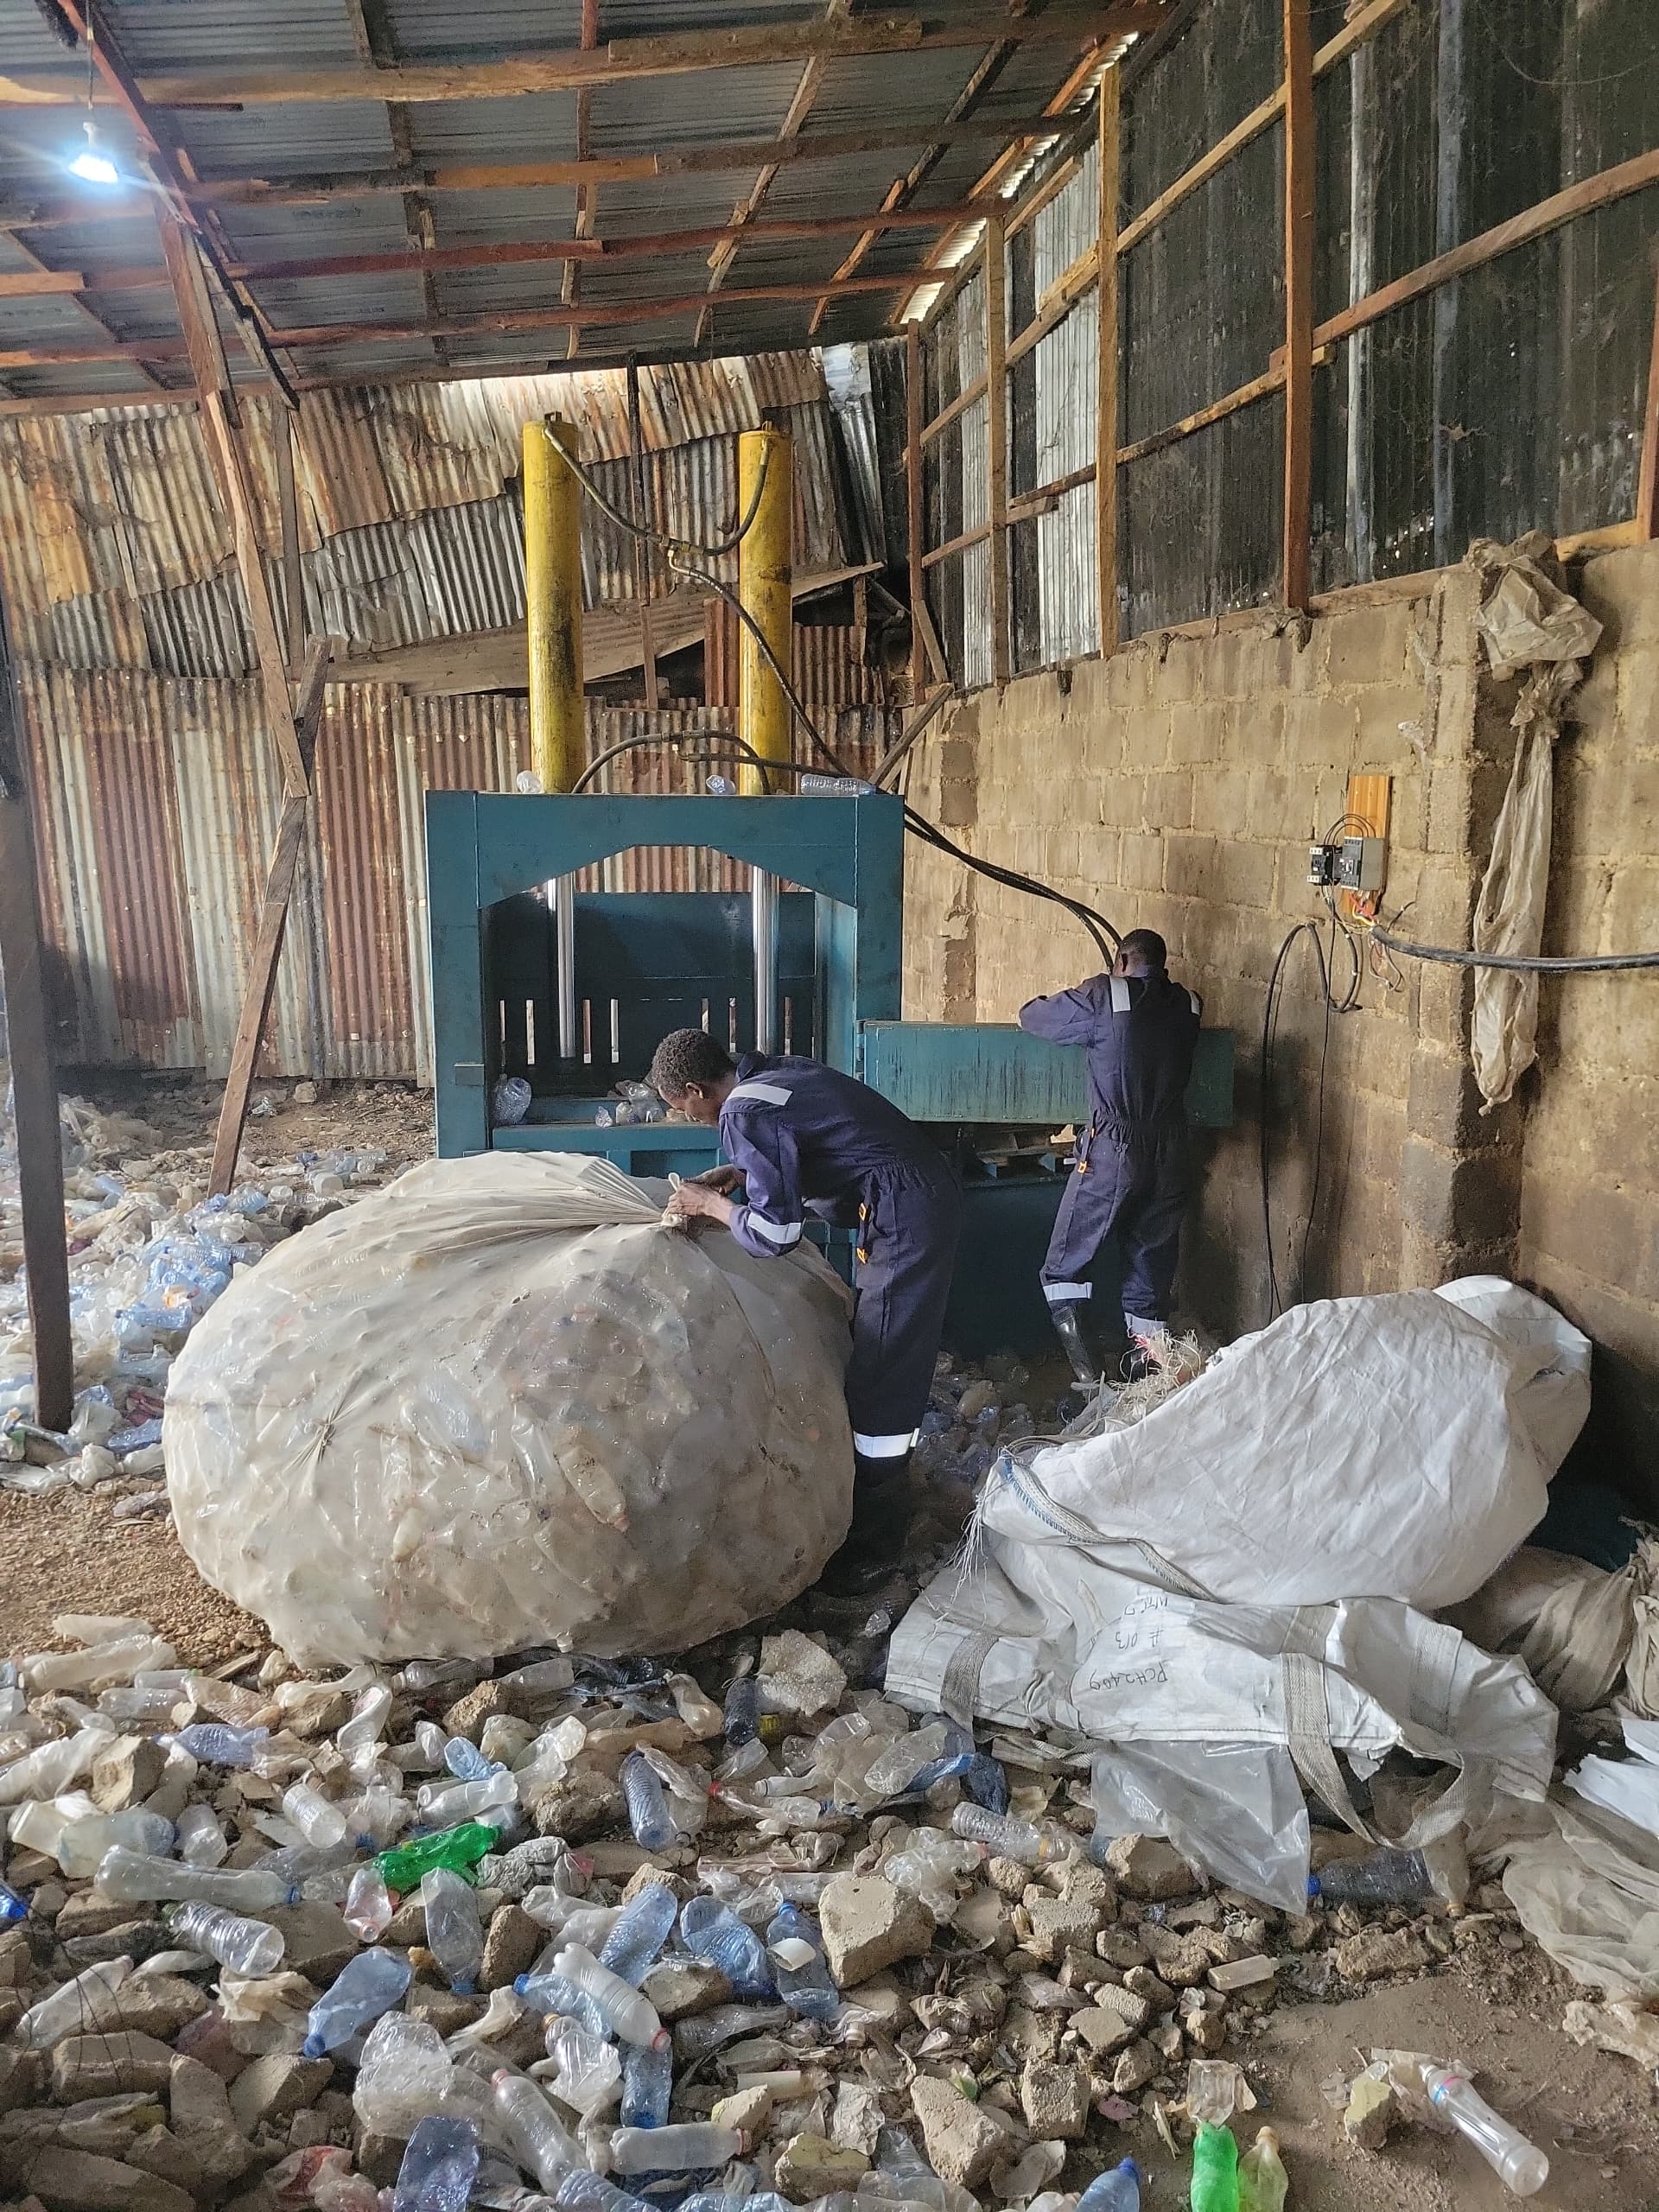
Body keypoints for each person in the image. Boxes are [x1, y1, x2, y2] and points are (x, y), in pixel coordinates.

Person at [649, 1028, 962, 1592]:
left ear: (695, 1089)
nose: (691, 1119)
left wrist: (711, 1205)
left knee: (883, 1370)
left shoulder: (742, 1113)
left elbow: (777, 1233)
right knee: (881, 1349)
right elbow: (821, 1146)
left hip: (905, 1211)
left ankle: (875, 1544)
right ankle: (877, 1504)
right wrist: (744, 1177)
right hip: (907, 1195)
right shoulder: (773, 1076)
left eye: (683, 1109)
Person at [1018, 928, 1200, 1388]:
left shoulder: (1104, 996)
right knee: (1150, 1271)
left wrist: (1097, 984)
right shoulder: (1189, 1003)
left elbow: (1032, 1017)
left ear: (1121, 960)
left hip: (1114, 1149)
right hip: (1173, 1151)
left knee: (1062, 1267)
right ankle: (1148, 1386)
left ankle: (1089, 1383)